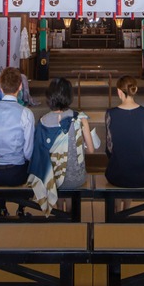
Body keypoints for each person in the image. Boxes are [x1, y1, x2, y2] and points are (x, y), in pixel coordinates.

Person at [28, 78, 94, 216]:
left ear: (49, 96)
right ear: (70, 97)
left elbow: (38, 151)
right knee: (69, 171)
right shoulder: (80, 118)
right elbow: (91, 150)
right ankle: (71, 215)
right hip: (76, 177)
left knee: (57, 174)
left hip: (51, 178)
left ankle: (59, 213)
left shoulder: (42, 121)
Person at [0, 66, 35, 216]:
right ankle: (21, 208)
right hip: (17, 173)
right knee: (34, 165)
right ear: (20, 86)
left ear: (0, 87)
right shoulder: (26, 113)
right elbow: (28, 152)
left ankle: (2, 208)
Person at [104, 75, 144, 206]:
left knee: (119, 164)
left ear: (119, 92)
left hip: (117, 174)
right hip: (142, 174)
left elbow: (109, 148)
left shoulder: (111, 114)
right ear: (135, 90)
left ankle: (116, 211)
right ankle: (127, 208)